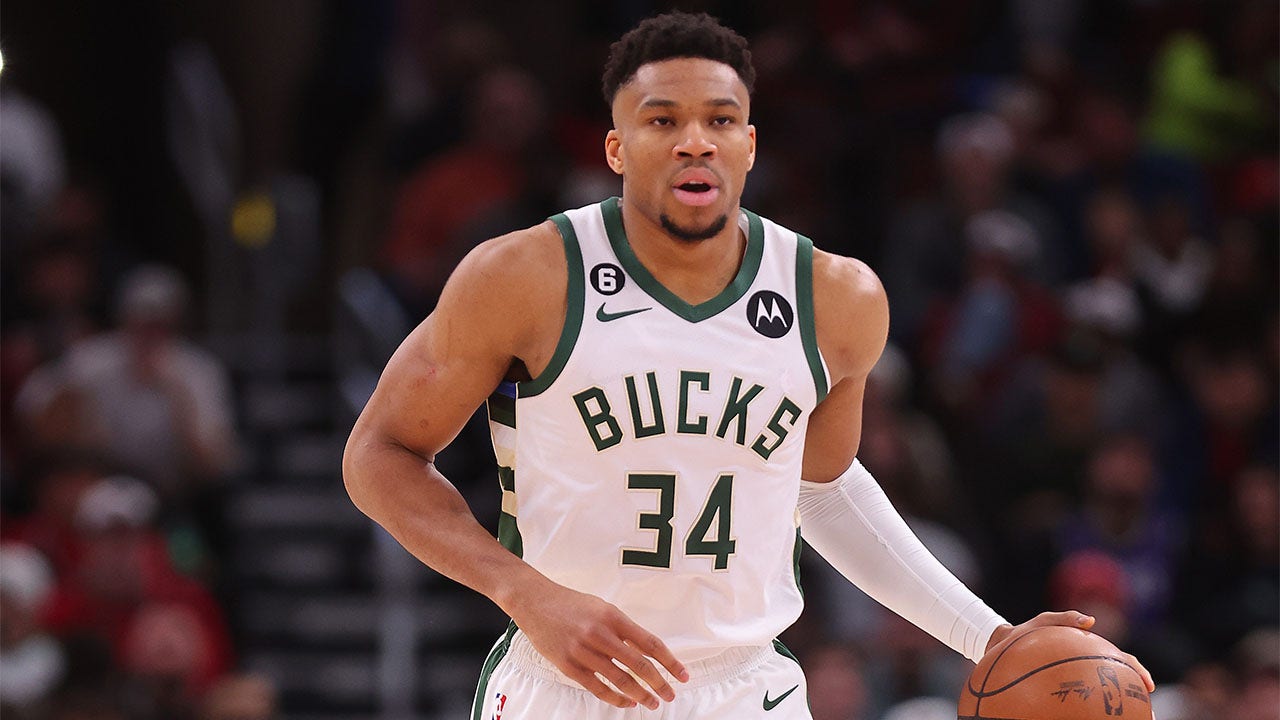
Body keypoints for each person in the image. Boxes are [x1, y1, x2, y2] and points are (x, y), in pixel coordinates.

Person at [343, 12, 1154, 718]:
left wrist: (992, 636)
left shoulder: (835, 298)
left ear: (750, 143)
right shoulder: (523, 275)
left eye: (721, 119)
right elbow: (378, 455)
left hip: (743, 692)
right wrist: (522, 590)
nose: (696, 139)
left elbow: (823, 487)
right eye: (663, 121)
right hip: (562, 686)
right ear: (618, 148)